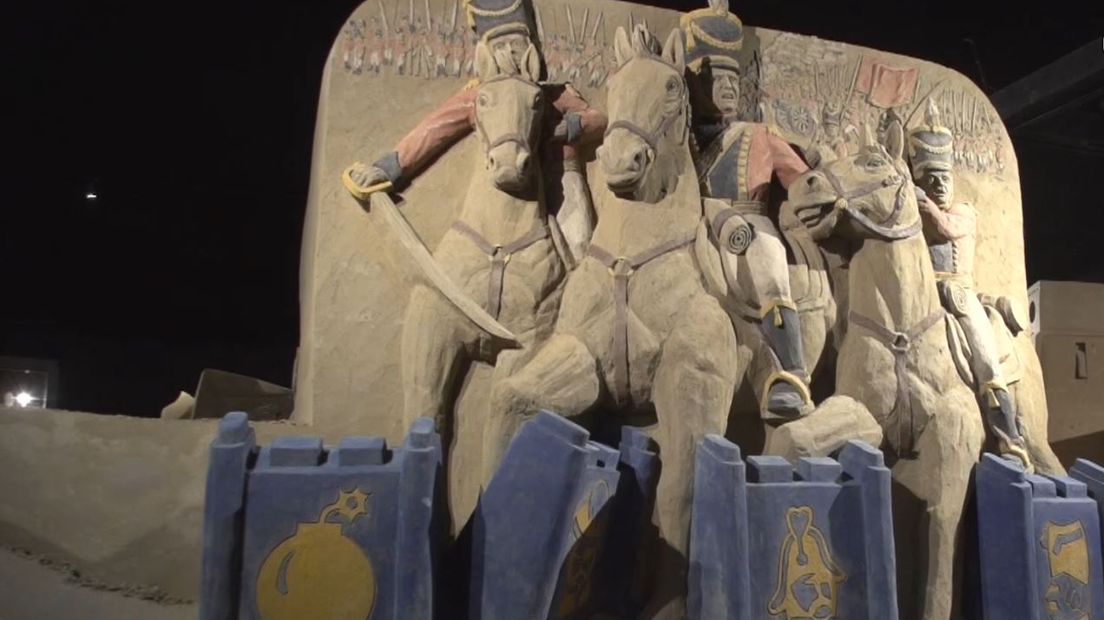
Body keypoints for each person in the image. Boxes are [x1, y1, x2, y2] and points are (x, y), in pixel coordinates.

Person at [347, 0, 605, 265]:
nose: (510, 54)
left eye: (517, 45)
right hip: (497, 192)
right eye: (500, 46)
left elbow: (598, 120)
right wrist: (389, 168)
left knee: (579, 248)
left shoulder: (555, 95)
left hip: (560, 179)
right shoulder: (478, 96)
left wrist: (569, 127)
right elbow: (435, 130)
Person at [682, 0, 814, 418]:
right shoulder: (681, 142)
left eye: (733, 78)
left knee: (765, 263)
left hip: (749, 226)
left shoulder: (758, 136)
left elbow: (802, 181)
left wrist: (818, 184)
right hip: (694, 229)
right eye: (717, 78)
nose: (728, 87)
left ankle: (791, 375)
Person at [909, 99, 1032, 467]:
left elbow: (946, 230)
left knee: (984, 356)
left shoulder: (962, 211)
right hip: (926, 293)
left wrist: (922, 202)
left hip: (959, 292)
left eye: (944, 177)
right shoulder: (915, 217)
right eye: (931, 180)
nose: (940, 185)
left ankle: (1009, 433)